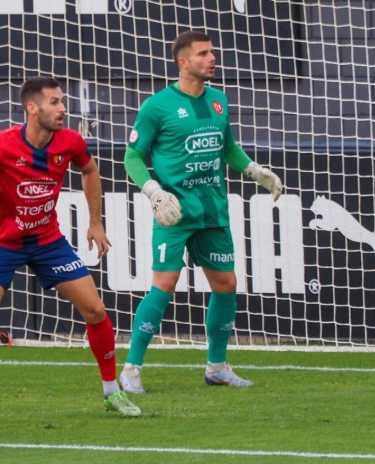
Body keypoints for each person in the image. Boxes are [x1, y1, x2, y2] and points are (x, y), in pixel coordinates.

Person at [0, 76, 141, 424]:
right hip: (2, 242)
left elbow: (90, 171)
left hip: (48, 240)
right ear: (32, 108)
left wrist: (96, 223)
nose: (63, 109)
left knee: (95, 309)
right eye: (54, 102)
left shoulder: (71, 142)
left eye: (62, 101)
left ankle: (113, 392)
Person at [119, 30, 283, 393]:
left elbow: (227, 147)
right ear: (183, 62)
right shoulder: (157, 106)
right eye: (203, 54)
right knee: (164, 285)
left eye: (212, 52)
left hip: (213, 211)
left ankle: (217, 366)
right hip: (174, 213)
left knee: (226, 285)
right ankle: (131, 369)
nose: (212, 58)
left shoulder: (219, 101)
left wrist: (255, 171)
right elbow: (133, 156)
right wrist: (152, 191)